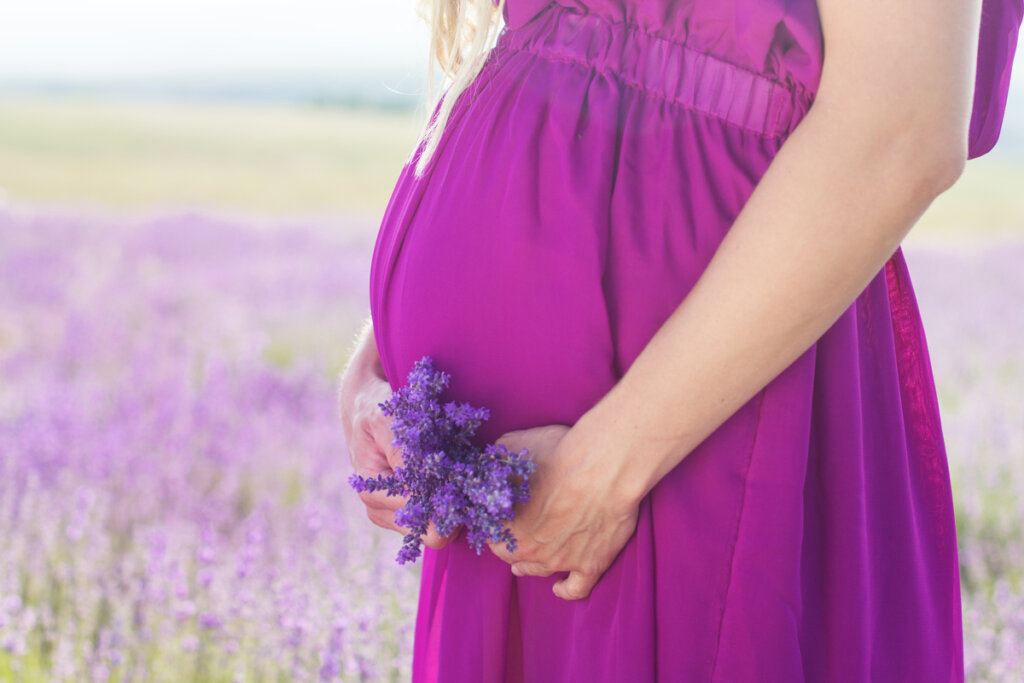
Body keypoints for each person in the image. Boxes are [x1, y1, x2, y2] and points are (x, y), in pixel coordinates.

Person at [339, 0, 1022, 680]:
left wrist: (604, 470)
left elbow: (902, 129)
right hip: (513, 497)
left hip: (680, 441)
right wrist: (381, 350)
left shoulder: (614, 472)